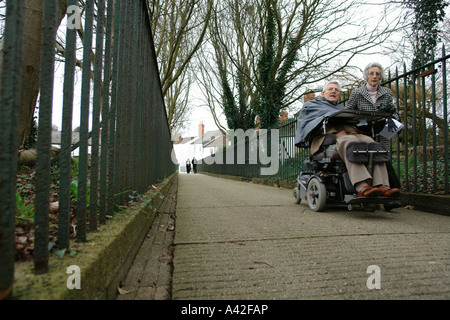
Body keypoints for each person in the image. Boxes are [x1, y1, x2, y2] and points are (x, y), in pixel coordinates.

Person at [295, 81, 400, 199]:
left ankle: (382, 185)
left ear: (339, 94)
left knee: (373, 143)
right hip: (327, 136)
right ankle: (361, 185)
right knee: (351, 142)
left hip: (351, 133)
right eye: (330, 89)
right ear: (322, 93)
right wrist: (334, 132)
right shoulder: (312, 106)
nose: (334, 91)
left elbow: (354, 124)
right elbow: (311, 126)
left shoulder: (342, 109)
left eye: (336, 90)